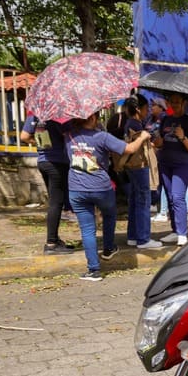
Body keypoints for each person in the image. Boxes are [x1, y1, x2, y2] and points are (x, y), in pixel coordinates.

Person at [66, 111, 151, 281]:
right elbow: (129, 148)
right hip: (101, 188)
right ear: (92, 118)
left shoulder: (69, 136)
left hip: (76, 189)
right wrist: (142, 137)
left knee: (87, 230)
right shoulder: (102, 137)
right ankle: (108, 248)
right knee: (109, 215)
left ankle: (93, 270)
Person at [20, 114, 75, 254]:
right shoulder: (59, 116)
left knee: (54, 202)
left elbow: (24, 136)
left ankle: (55, 239)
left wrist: (41, 143)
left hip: (43, 161)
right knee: (56, 203)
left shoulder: (35, 116)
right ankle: (51, 243)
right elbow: (70, 137)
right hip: (57, 162)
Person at [152, 92, 188, 247]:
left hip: (182, 165)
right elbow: (160, 143)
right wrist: (157, 141)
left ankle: (182, 233)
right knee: (170, 197)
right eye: (172, 102)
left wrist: (182, 137)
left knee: (178, 197)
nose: (175, 105)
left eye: (177, 102)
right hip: (165, 163)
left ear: (183, 103)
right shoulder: (165, 119)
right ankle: (175, 231)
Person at [121, 95, 162, 249]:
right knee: (143, 200)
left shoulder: (130, 123)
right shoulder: (135, 124)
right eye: (146, 108)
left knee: (134, 199)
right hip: (139, 165)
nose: (148, 111)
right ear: (138, 109)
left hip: (132, 166)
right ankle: (143, 238)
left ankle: (133, 236)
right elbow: (138, 147)